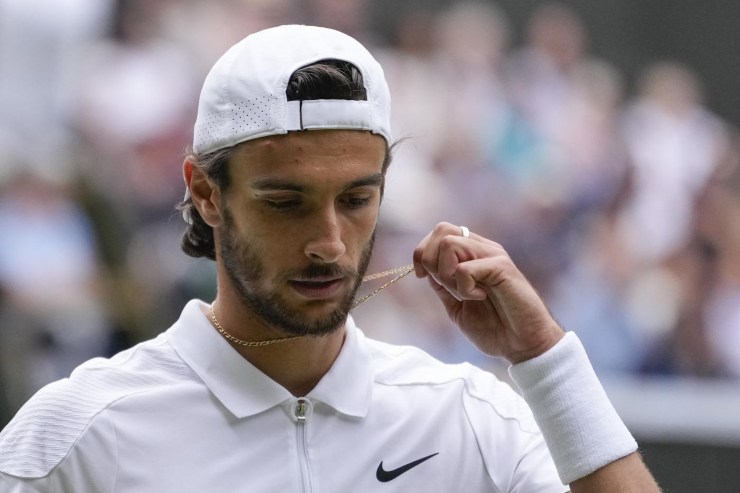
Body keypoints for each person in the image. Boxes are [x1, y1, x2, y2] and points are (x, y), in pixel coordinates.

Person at [0, 25, 661, 492]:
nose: (330, 241)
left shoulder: (473, 419)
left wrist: (545, 357)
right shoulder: (76, 436)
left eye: (356, 198)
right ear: (205, 192)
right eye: (285, 201)